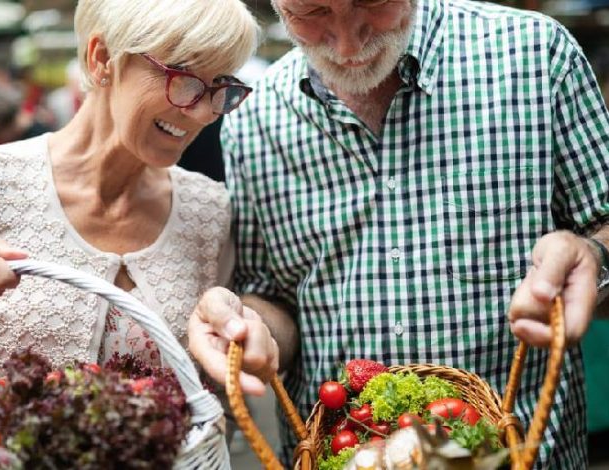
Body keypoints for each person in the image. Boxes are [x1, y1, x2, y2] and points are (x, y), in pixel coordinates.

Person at [187, 0, 609, 468]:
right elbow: (275, 298)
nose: (348, 43)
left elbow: (601, 226)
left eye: (373, 2)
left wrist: (593, 257)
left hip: (526, 451)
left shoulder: (536, 56)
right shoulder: (253, 122)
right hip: (340, 453)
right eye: (312, 12)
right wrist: (245, 324)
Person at [0, 0, 258, 378]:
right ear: (102, 58)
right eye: (183, 78)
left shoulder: (210, 211)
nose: (204, 113)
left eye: (219, 86)